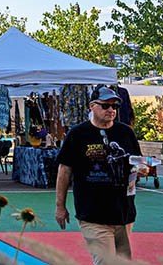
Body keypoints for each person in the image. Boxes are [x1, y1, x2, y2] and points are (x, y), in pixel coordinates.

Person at [55, 87, 144, 265]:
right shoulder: (77, 134)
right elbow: (64, 171)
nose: (111, 110)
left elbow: (137, 163)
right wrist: (60, 206)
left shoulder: (126, 133)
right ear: (92, 106)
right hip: (93, 214)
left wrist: (142, 170)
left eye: (114, 106)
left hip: (123, 213)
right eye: (105, 106)